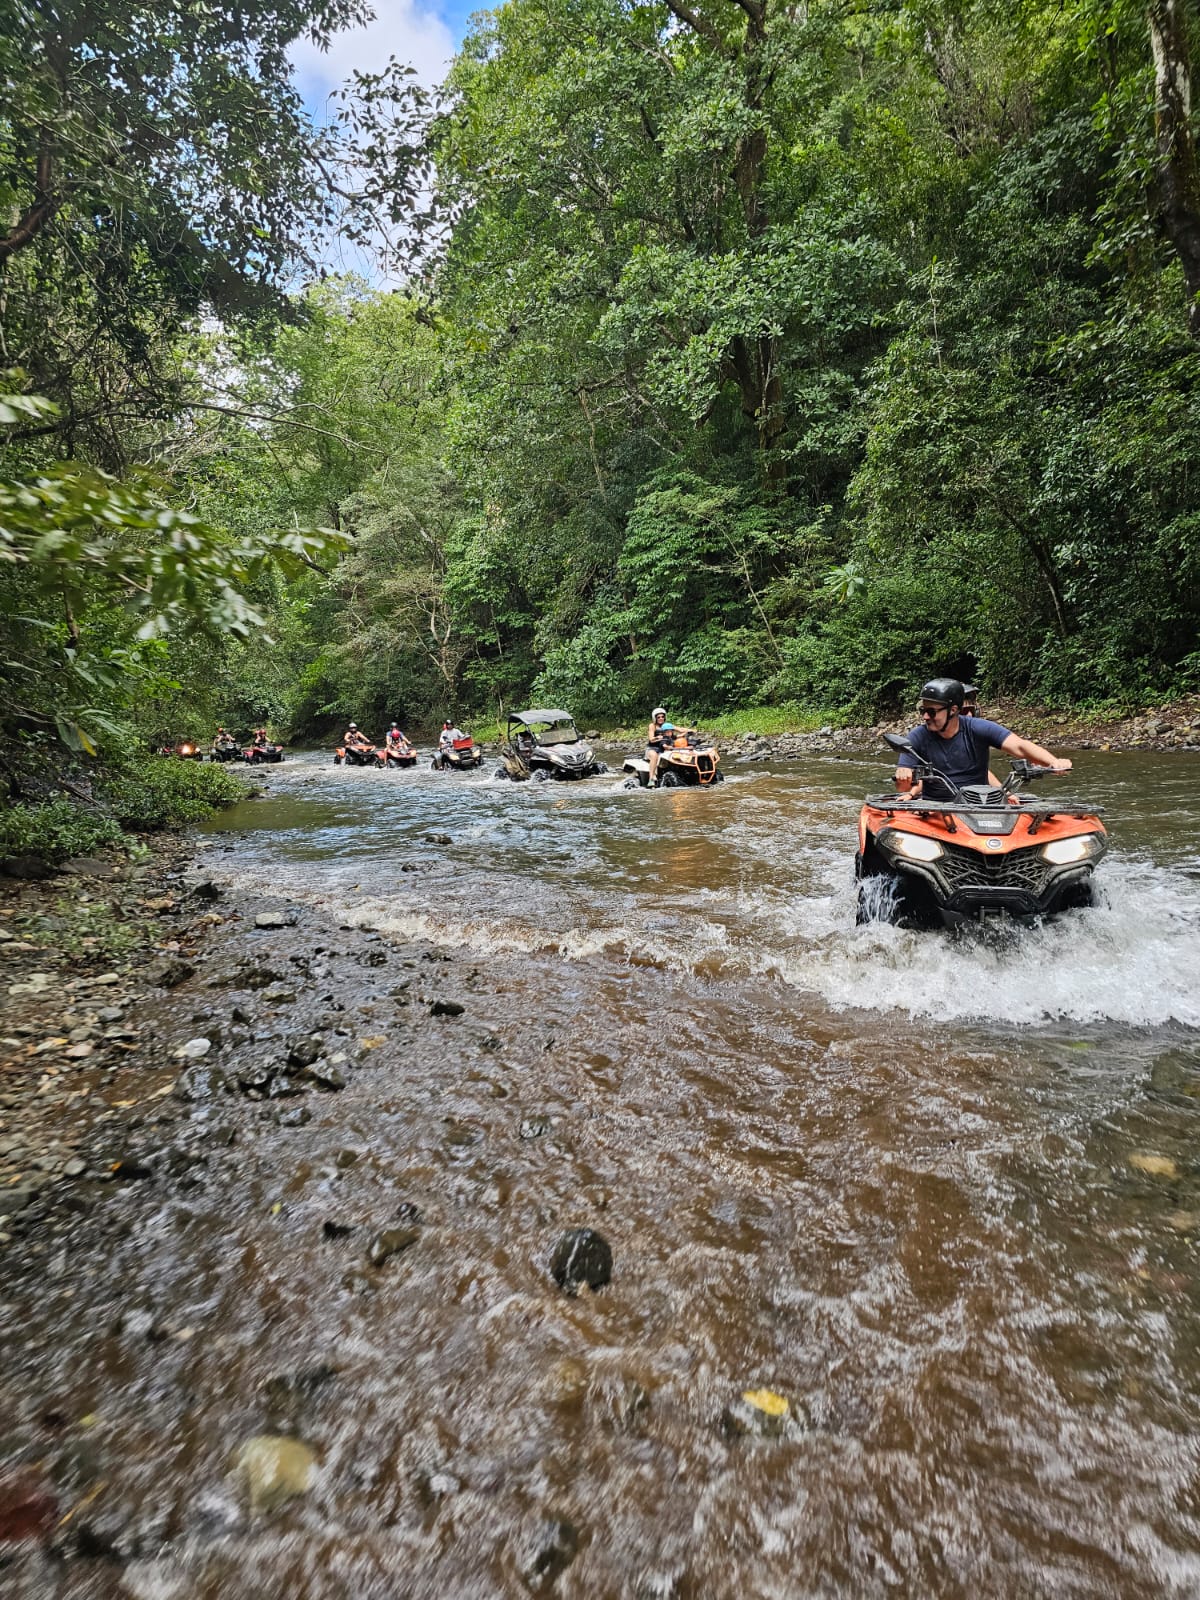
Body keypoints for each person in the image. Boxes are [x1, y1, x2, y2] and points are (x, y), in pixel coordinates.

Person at [896, 678, 1071, 797]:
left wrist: (1053, 762)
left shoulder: (978, 728)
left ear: (953, 710)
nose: (925, 717)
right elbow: (902, 788)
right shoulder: (917, 737)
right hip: (935, 808)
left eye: (931, 712)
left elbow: (1019, 746)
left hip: (980, 804)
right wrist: (903, 777)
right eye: (923, 711)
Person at [646, 707, 670, 787]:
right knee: (654, 755)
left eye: (662, 717)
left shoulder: (666, 726)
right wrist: (657, 737)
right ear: (655, 718)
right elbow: (651, 739)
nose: (661, 718)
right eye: (659, 717)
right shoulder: (652, 726)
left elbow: (677, 729)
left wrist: (688, 730)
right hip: (652, 749)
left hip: (663, 749)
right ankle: (651, 779)